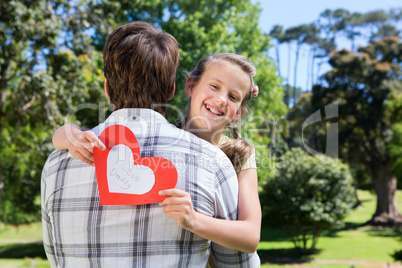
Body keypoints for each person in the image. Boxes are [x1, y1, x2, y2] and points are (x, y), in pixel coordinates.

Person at [41, 21, 260, 267]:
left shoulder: (235, 156)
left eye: (233, 97)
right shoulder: (207, 160)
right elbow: (240, 263)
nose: (220, 100)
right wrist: (68, 132)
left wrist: (195, 220)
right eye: (214, 86)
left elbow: (250, 237)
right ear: (180, 87)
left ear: (106, 88)